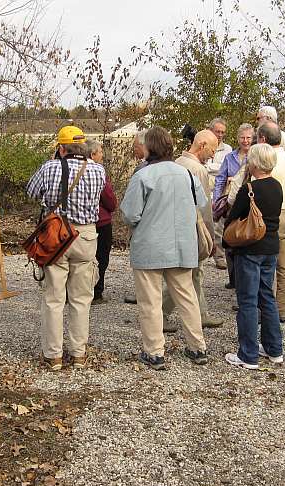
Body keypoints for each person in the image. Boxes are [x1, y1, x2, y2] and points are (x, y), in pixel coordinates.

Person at [121, 126, 209, 370]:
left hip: (150, 246)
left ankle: (155, 352)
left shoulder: (143, 176)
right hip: (182, 245)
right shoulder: (187, 175)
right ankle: (197, 347)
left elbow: (130, 214)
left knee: (150, 301)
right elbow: (200, 203)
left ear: (150, 147)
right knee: (187, 297)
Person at [26, 125, 106, 370]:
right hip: (86, 235)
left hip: (57, 236)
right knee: (82, 298)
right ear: (83, 147)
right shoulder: (98, 170)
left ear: (60, 148)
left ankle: (53, 355)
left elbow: (31, 191)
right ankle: (79, 353)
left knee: (54, 298)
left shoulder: (50, 167)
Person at [223, 143, 283, 370]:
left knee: (247, 301)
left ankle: (248, 354)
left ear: (254, 163)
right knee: (267, 297)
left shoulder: (249, 189)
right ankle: (274, 348)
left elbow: (234, 216)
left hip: (249, 249)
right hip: (270, 247)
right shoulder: (277, 186)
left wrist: (226, 242)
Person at [162, 129, 224, 331]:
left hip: (174, 226)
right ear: (202, 145)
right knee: (188, 273)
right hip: (192, 227)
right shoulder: (198, 170)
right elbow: (205, 207)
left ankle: (201, 313)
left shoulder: (176, 162)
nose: (213, 155)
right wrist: (211, 237)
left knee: (194, 273)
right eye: (213, 150)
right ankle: (160, 312)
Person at [256, 122, 285, 322]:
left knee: (264, 261)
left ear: (262, 139)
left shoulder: (268, 159)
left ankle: (266, 307)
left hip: (270, 214)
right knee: (283, 261)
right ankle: (282, 307)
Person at [215, 123, 254, 287]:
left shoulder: (255, 156)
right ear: (237, 138)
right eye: (242, 137)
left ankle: (244, 279)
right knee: (229, 238)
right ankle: (233, 278)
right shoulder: (229, 157)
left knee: (244, 240)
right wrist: (217, 199)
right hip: (230, 203)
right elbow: (220, 179)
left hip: (248, 203)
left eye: (248, 138)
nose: (245, 141)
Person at [84, 139, 118, 304]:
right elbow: (109, 198)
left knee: (83, 259)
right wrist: (111, 206)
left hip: (82, 223)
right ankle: (96, 291)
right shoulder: (98, 172)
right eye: (100, 152)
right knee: (101, 258)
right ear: (92, 154)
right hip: (101, 221)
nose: (102, 155)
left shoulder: (74, 170)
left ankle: (79, 291)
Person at [123, 130, 148, 305]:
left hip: (143, 223)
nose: (134, 149)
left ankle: (144, 295)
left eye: (135, 146)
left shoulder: (142, 169)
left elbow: (132, 207)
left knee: (144, 266)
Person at [204, 118, 233, 270]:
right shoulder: (204, 143)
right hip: (204, 190)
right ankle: (201, 253)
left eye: (223, 132)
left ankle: (219, 257)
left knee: (219, 227)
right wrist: (216, 168)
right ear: (210, 130)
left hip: (219, 192)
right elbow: (202, 166)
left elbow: (223, 168)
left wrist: (210, 167)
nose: (220, 134)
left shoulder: (227, 149)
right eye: (218, 131)